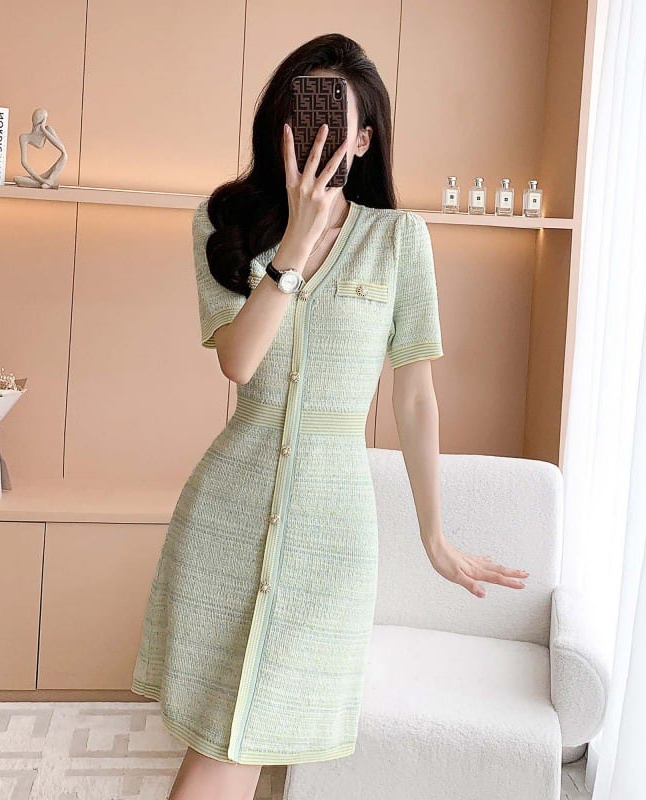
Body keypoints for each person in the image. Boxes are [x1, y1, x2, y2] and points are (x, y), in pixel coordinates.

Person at [132, 33, 529, 800]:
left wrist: (434, 533)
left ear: (364, 139)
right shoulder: (224, 223)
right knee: (226, 736)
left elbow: (414, 396)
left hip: (332, 537)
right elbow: (239, 363)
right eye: (299, 111)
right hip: (226, 516)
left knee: (245, 736)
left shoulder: (398, 240)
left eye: (332, 118)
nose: (313, 131)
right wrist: (294, 245)